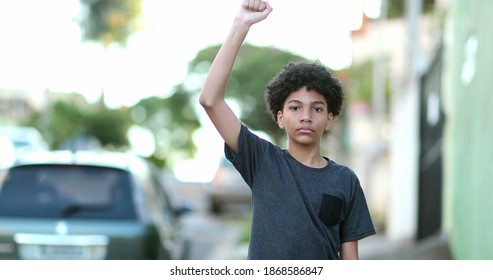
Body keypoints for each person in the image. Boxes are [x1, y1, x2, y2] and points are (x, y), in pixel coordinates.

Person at [199, 0, 376, 260]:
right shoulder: (261, 160)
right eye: (295, 108)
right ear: (280, 118)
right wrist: (241, 24)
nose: (305, 116)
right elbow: (210, 100)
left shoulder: (345, 180)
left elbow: (351, 260)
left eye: (316, 109)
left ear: (329, 119)